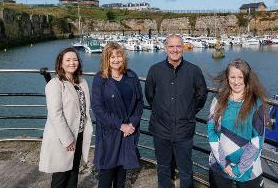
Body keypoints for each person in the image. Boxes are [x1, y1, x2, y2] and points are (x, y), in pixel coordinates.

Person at [145, 34, 208, 188]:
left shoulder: (193, 71)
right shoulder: (155, 70)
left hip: (184, 129)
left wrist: (189, 111)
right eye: (171, 46)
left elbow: (202, 94)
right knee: (163, 167)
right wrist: (160, 111)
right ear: (166, 48)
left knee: (186, 169)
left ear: (183, 48)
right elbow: (149, 95)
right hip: (161, 129)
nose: (175, 50)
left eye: (178, 46)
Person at [207, 58, 266, 188]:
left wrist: (239, 169)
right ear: (227, 78)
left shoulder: (256, 104)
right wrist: (224, 163)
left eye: (240, 77)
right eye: (232, 77)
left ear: (247, 78)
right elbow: (211, 132)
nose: (236, 81)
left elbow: (257, 140)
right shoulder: (217, 100)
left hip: (249, 171)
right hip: (219, 167)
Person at [91, 42, 143, 188]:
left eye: (119, 55)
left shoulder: (131, 76)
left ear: (123, 57)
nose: (116, 59)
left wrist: (132, 123)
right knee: (106, 176)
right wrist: (121, 125)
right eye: (111, 57)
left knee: (121, 177)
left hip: (128, 134)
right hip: (110, 133)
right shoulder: (100, 79)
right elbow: (98, 108)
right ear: (106, 59)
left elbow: (139, 103)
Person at [39, 47, 93, 188]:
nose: (72, 63)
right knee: (61, 176)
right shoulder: (55, 84)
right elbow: (55, 114)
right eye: (67, 60)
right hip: (63, 137)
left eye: (75, 59)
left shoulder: (81, 82)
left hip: (79, 133)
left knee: (74, 172)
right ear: (60, 64)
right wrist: (68, 140)